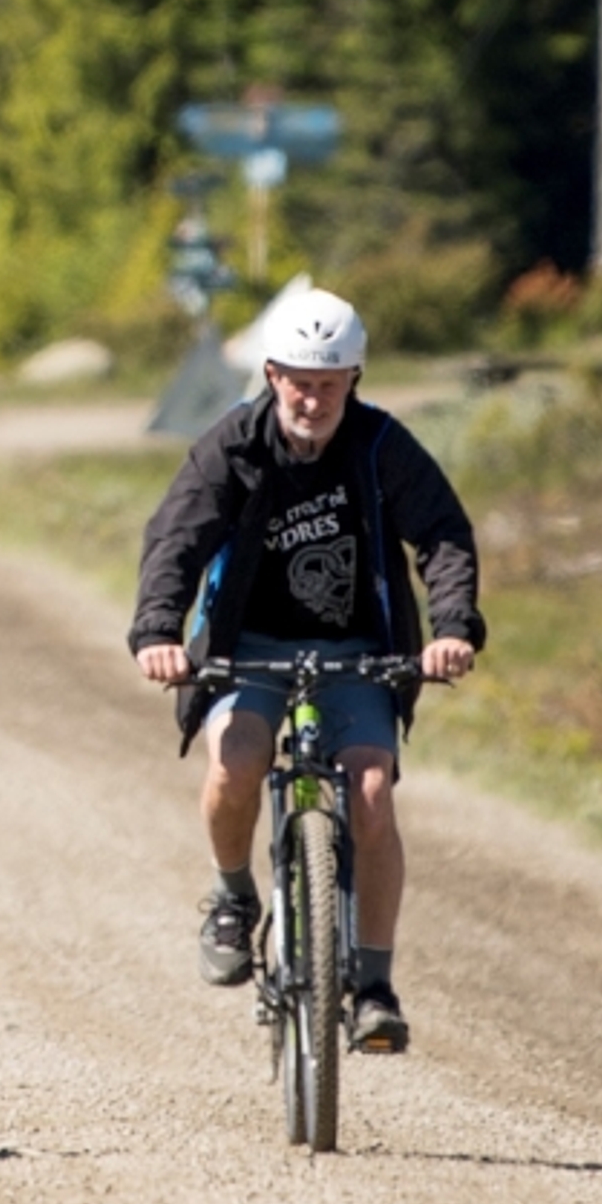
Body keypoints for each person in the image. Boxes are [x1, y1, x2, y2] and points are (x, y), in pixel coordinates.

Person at [129, 290, 481, 1054]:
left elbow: (444, 537)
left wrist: (452, 629)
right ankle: (231, 900)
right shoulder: (232, 447)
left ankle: (375, 987)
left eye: (329, 382)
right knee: (239, 760)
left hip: (358, 650)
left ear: (354, 379)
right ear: (271, 374)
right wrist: (159, 631)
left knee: (372, 795)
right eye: (297, 380)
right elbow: (175, 541)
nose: (312, 398)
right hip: (246, 646)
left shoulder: (384, 446)